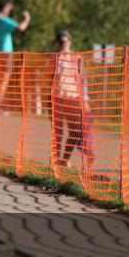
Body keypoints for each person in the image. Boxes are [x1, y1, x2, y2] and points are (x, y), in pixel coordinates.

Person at [50, 30, 93, 170]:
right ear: (58, 43)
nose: (64, 43)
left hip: (73, 98)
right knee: (58, 132)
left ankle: (65, 158)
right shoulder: (54, 57)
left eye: (66, 40)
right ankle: (56, 161)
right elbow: (50, 79)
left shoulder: (77, 58)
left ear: (70, 40)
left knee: (75, 132)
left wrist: (85, 101)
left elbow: (82, 81)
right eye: (61, 41)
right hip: (58, 98)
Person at [0, 0, 31, 111]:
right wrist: (27, 19)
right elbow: (21, 27)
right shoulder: (5, 20)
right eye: (8, 8)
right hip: (6, 54)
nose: (9, 11)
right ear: (3, 8)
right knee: (3, 81)